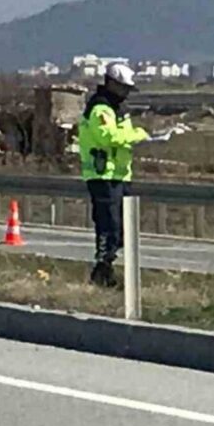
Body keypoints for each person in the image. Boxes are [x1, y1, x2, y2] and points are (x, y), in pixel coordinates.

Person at [78, 63, 171, 287]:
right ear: (112, 84)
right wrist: (139, 134)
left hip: (119, 175)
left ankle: (106, 270)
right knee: (108, 225)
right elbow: (108, 137)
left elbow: (122, 134)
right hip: (103, 175)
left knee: (121, 228)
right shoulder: (100, 108)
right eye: (124, 88)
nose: (127, 93)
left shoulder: (117, 108)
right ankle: (102, 272)